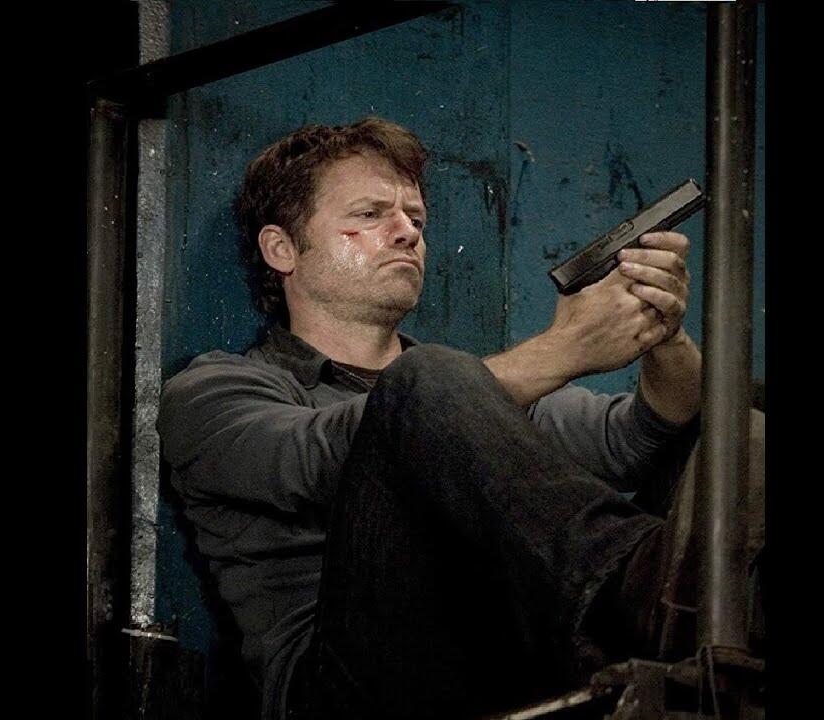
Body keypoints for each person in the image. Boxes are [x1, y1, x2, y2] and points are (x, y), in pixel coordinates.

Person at [157, 117, 704, 720]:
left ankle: (698, 607)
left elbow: (642, 435)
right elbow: (319, 457)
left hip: (507, 661)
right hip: (342, 689)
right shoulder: (212, 391)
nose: (406, 233)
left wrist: (661, 332)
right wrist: (564, 350)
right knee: (427, 379)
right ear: (281, 249)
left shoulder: (464, 393)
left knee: (738, 433)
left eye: (416, 219)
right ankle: (643, 596)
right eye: (371, 214)